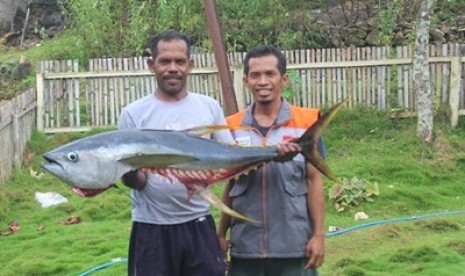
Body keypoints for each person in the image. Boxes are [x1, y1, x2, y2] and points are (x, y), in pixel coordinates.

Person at [118, 30, 231, 276]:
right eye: (164, 61)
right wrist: (129, 171)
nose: (173, 68)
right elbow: (135, 181)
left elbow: (230, 158)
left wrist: (208, 177)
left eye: (179, 61)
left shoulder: (209, 107)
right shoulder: (133, 114)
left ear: (190, 65)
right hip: (151, 227)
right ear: (151, 65)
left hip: (199, 223)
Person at [218, 45, 326, 276]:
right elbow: (231, 183)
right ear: (246, 81)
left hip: (295, 247)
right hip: (245, 249)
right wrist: (220, 234)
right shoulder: (231, 126)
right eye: (255, 75)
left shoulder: (307, 122)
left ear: (284, 79)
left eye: (270, 74)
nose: (262, 81)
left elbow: (314, 181)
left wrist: (318, 235)